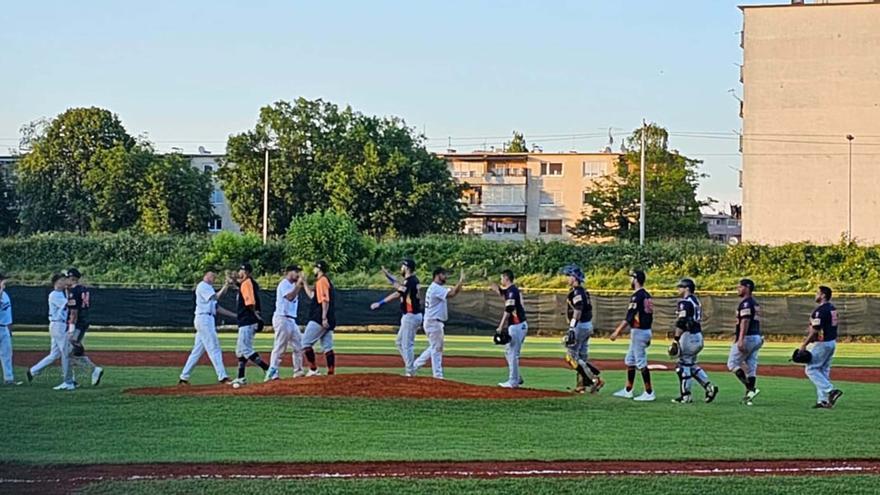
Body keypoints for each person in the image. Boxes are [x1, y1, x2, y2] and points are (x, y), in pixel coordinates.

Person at [178, 270, 234, 385]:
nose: (213, 278)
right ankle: (222, 377)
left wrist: (235, 315)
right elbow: (216, 297)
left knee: (197, 351)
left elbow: (217, 307)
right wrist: (226, 285)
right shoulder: (203, 286)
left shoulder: (209, 288)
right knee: (214, 348)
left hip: (206, 319)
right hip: (204, 319)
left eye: (214, 276)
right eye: (211, 275)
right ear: (205, 276)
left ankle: (184, 377)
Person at [670, 278, 718, 404]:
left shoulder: (685, 302)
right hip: (698, 335)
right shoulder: (696, 301)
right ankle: (709, 387)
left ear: (687, 288)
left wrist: (675, 339)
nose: (678, 289)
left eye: (680, 287)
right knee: (691, 365)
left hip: (689, 336)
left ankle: (686, 396)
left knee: (682, 366)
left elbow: (682, 321)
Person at [371, 259, 422, 376]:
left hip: (411, 315)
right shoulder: (411, 281)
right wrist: (387, 274)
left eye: (403, 266)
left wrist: (380, 303)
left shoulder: (410, 281)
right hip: (411, 315)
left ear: (407, 268)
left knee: (407, 345)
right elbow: (397, 285)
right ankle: (411, 366)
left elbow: (397, 293)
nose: (401, 268)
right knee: (399, 342)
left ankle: (410, 371)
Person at [610, 270, 655, 402]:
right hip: (644, 330)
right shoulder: (647, 295)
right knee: (630, 360)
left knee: (641, 362)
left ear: (635, 279)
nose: (630, 281)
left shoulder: (637, 296)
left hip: (639, 331)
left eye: (631, 278)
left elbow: (629, 317)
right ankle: (628, 390)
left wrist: (617, 331)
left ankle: (649, 392)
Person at [412, 267, 464, 379]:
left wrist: (459, 285)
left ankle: (413, 367)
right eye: (443, 274)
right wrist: (460, 281)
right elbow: (452, 294)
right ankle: (438, 376)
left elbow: (452, 292)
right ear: (437, 275)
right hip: (433, 322)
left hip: (432, 321)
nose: (445, 277)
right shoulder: (436, 288)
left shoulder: (436, 288)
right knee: (437, 349)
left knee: (434, 347)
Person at [27, 274, 75, 390]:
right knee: (66, 353)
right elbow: (70, 304)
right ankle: (68, 382)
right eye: (62, 280)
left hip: (58, 325)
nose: (65, 282)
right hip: (58, 325)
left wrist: (68, 291)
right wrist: (70, 291)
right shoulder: (54, 294)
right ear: (56, 282)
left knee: (54, 354)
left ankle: (33, 370)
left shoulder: (61, 294)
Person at [561, 264, 604, 394]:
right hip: (586, 325)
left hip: (580, 326)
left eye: (569, 276)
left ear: (574, 277)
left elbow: (578, 310)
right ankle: (581, 386)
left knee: (571, 357)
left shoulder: (577, 291)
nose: (567, 278)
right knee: (582, 358)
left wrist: (572, 327)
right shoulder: (583, 291)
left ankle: (595, 379)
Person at [800, 286, 843, 409]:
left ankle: (831, 391)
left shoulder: (820, 310)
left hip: (822, 343)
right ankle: (823, 401)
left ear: (823, 295)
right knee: (823, 370)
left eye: (817, 293)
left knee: (811, 369)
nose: (815, 295)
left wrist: (804, 344)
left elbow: (815, 330)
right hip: (831, 342)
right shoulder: (832, 308)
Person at [231, 262, 270, 386]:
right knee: (240, 350)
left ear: (248, 273)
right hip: (246, 321)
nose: (241, 273)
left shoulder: (247, 283)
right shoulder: (248, 283)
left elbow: (250, 303)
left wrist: (256, 316)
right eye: (241, 271)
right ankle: (241, 377)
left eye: (243, 271)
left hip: (248, 320)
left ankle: (268, 369)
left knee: (245, 349)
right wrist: (235, 282)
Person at [64, 268, 104, 387]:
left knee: (68, 352)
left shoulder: (74, 291)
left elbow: (74, 312)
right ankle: (73, 380)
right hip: (84, 322)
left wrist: (71, 330)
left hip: (77, 324)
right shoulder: (83, 289)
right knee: (73, 352)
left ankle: (93, 370)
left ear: (71, 278)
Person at [728, 278, 764, 406]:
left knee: (732, 363)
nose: (738, 288)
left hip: (748, 337)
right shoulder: (754, 303)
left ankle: (751, 389)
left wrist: (741, 339)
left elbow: (745, 321)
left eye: (740, 286)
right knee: (751, 366)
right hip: (756, 337)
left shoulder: (746, 303)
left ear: (747, 287)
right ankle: (749, 396)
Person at [267, 265, 306, 381]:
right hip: (282, 318)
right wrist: (299, 285)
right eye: (296, 271)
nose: (298, 274)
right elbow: (289, 297)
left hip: (291, 320)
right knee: (280, 347)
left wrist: (299, 285)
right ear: (289, 272)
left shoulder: (293, 285)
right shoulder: (284, 284)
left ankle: (298, 371)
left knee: (299, 345)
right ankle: (273, 373)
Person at [490, 269, 527, 388]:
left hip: (517, 325)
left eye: (502, 278)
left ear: (506, 278)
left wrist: (500, 326)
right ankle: (516, 376)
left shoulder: (512, 291)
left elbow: (508, 309)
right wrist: (494, 286)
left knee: (513, 353)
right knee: (508, 352)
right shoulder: (511, 291)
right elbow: (502, 292)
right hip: (518, 325)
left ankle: (513, 381)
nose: (501, 280)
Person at [301, 260, 337, 376]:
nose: (314, 270)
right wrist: (305, 283)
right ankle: (331, 372)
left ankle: (313, 369)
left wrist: (323, 317)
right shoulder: (323, 281)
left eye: (316, 268)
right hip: (328, 317)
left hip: (319, 317)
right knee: (327, 346)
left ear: (319, 269)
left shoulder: (322, 281)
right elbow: (313, 296)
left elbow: (325, 300)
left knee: (305, 343)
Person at [0, 273, 19, 386]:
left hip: (4, 328)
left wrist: (9, 329)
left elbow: (8, 314)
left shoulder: (6, 295)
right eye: (2, 280)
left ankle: (9, 379)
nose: (4, 282)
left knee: (7, 354)